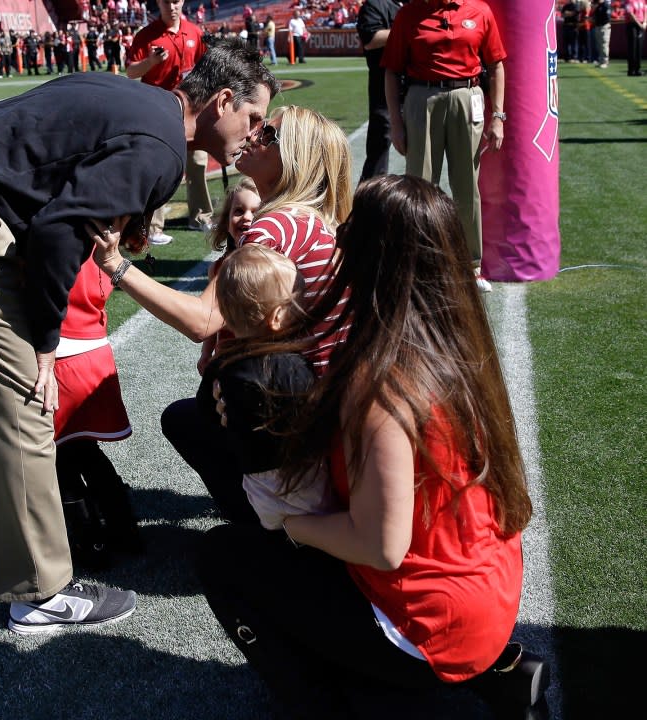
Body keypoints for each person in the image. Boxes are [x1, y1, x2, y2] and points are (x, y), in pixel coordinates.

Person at [0, 38, 277, 634]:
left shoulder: (131, 96)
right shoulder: (164, 146)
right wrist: (43, 341)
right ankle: (38, 592)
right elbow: (59, 228)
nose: (253, 133)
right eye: (252, 118)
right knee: (24, 397)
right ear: (222, 100)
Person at [196, 174, 550, 718]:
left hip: (430, 625)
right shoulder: (456, 346)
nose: (337, 233)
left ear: (372, 258)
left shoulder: (383, 384)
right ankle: (491, 675)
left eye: (351, 225)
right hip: (487, 594)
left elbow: (382, 546)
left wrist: (286, 526)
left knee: (223, 554)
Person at [92, 105, 353, 524]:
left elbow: (202, 320)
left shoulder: (276, 226)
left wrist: (116, 266)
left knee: (189, 416)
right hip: (326, 403)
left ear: (296, 158)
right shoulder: (317, 221)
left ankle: (261, 526)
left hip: (291, 415)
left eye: (268, 134)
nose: (253, 135)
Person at [195, 244, 337, 531]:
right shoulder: (288, 367)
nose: (305, 305)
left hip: (257, 487)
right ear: (277, 318)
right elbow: (319, 419)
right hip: (301, 483)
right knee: (313, 528)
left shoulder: (221, 364)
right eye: (298, 299)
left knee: (276, 527)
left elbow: (206, 411)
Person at [382, 0, 506, 293]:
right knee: (419, 187)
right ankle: (417, 264)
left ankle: (471, 265)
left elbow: (496, 64)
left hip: (467, 95)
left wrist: (498, 115)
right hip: (421, 99)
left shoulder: (480, 11)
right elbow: (391, 71)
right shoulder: (410, 13)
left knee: (467, 186)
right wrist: (396, 124)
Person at [54, 248, 142, 568]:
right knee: (86, 451)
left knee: (59, 455)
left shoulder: (51, 226)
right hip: (94, 348)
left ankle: (89, 542)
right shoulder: (92, 217)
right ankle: (124, 528)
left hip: (60, 354)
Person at [127, 0, 214, 242]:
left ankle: (201, 217)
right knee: (160, 166)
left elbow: (205, 68)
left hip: (190, 108)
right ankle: (153, 227)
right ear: (159, 3)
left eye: (175, 1)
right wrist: (151, 62)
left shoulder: (194, 32)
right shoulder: (146, 35)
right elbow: (131, 72)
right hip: (157, 108)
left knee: (197, 163)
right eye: (166, 1)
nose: (172, 6)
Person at [197, 177, 262, 374]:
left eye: (256, 212)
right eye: (239, 211)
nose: (247, 217)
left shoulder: (269, 267)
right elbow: (210, 317)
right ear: (226, 221)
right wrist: (206, 354)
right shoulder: (217, 269)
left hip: (257, 362)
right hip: (224, 362)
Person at [356, 0, 404, 180]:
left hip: (416, 84)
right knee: (380, 144)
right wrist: (408, 29)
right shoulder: (375, 5)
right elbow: (370, 39)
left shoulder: (414, 4)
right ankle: (369, 199)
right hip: (383, 85)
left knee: (422, 149)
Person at [625, 0, 647, 76]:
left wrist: (645, 22)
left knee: (639, 47)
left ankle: (638, 69)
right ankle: (631, 70)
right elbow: (630, 13)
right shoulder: (629, 1)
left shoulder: (643, 1)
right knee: (632, 47)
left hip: (641, 24)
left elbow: (645, 10)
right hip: (632, 25)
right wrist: (639, 24)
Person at [593, 0, 612, 68]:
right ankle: (601, 61)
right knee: (599, 45)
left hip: (604, 26)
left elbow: (607, 17)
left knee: (604, 44)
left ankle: (605, 61)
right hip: (598, 26)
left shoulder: (605, 5)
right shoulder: (599, 6)